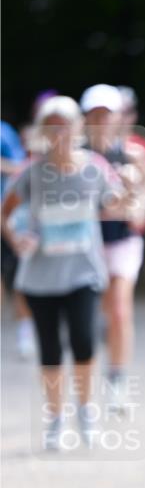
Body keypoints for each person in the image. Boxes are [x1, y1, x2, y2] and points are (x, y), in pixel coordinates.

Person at [0, 96, 129, 449]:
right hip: (40, 275)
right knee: (50, 349)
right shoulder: (31, 172)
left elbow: (115, 203)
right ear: (43, 131)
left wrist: (132, 186)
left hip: (83, 272)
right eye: (51, 125)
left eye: (65, 124)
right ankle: (56, 418)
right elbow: (5, 212)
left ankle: (86, 413)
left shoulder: (95, 167)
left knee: (84, 342)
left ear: (77, 127)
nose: (59, 132)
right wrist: (16, 238)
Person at [80, 84, 145, 409]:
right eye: (94, 114)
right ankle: (87, 384)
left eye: (106, 113)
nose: (101, 120)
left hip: (123, 239)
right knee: (91, 313)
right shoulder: (75, 155)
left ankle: (117, 382)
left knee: (119, 308)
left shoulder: (133, 152)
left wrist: (140, 206)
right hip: (86, 242)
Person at [0, 117, 35, 358]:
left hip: (9, 214)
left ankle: (25, 330)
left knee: (20, 276)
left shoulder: (4, 132)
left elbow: (21, 167)